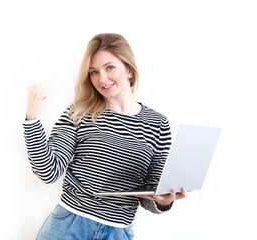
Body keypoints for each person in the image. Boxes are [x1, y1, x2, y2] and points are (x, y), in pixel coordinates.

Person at [23, 33, 187, 240]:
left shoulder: (158, 124)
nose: (101, 79)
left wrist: (163, 200)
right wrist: (32, 117)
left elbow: (149, 195)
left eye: (109, 67)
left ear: (129, 69)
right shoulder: (79, 112)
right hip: (69, 226)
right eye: (94, 72)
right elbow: (48, 172)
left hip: (118, 232)